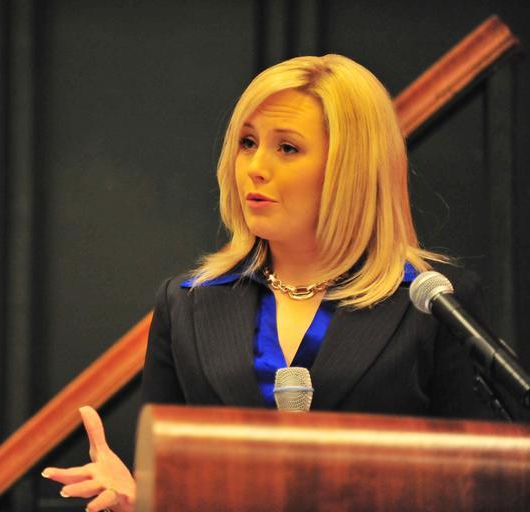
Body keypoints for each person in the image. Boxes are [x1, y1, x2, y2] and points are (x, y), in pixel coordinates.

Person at [42, 54, 494, 512]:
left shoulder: (433, 302)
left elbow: (477, 488)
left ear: (352, 167)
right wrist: (139, 501)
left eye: (287, 148)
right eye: (247, 142)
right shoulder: (188, 303)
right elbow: (170, 490)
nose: (254, 167)